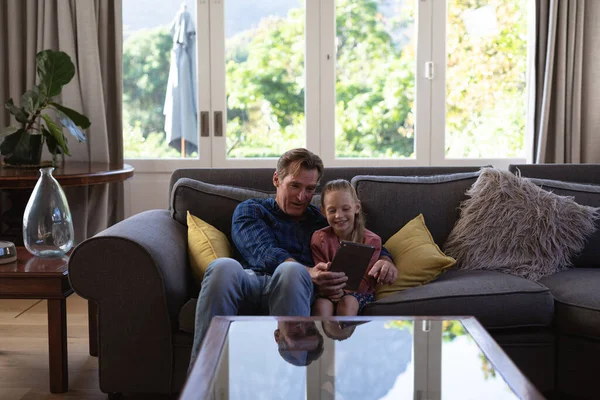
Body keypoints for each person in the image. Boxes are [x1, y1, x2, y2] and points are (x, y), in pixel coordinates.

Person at [311, 179, 394, 317]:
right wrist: (329, 290)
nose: (339, 215)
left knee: (348, 302)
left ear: (356, 208)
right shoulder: (319, 238)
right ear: (323, 212)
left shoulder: (371, 240)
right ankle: (323, 337)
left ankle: (343, 336)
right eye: (332, 210)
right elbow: (319, 274)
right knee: (322, 304)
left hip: (359, 294)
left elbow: (365, 281)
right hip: (329, 292)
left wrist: (343, 292)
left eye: (346, 209)